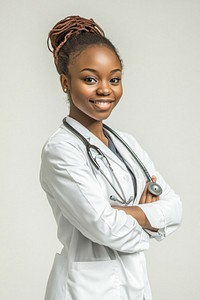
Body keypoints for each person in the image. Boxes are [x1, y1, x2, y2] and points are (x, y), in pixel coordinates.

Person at [40, 15, 182, 300]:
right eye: (90, 79)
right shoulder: (61, 150)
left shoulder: (127, 143)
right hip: (86, 291)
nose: (105, 89)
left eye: (114, 79)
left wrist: (118, 213)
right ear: (65, 83)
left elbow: (175, 208)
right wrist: (150, 222)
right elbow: (105, 228)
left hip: (135, 285)